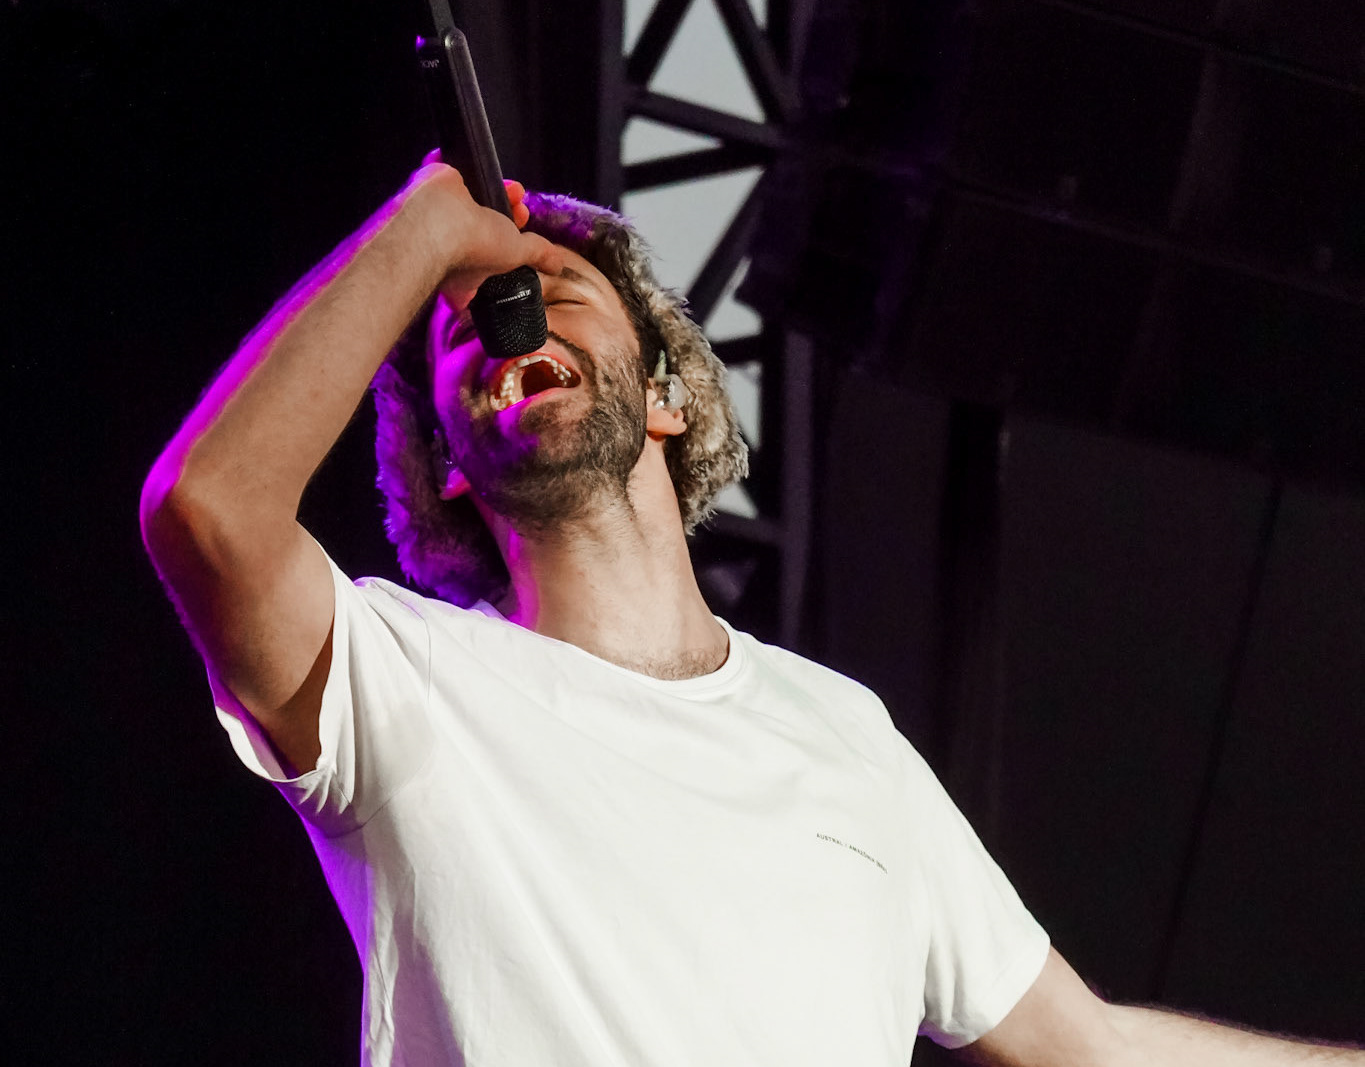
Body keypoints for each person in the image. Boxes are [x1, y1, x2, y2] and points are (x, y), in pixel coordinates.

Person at [141, 159, 1363, 1067]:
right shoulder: (399, 677)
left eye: (559, 290)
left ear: (665, 395)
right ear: (449, 466)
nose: (512, 322)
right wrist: (425, 230)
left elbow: (1086, 1044)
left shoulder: (845, 733)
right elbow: (210, 509)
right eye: (467, 331)